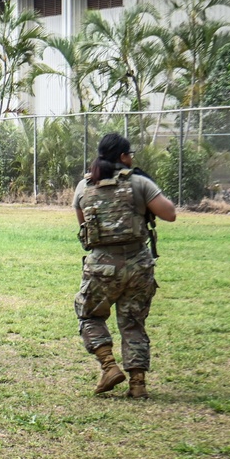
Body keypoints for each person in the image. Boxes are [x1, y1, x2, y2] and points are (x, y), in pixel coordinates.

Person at [73, 132, 176, 398]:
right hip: (139, 266)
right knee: (133, 322)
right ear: (123, 157)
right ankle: (138, 383)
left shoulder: (84, 187)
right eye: (130, 154)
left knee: (90, 315)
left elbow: (84, 227)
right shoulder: (140, 183)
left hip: (101, 267)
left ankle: (109, 366)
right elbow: (170, 214)